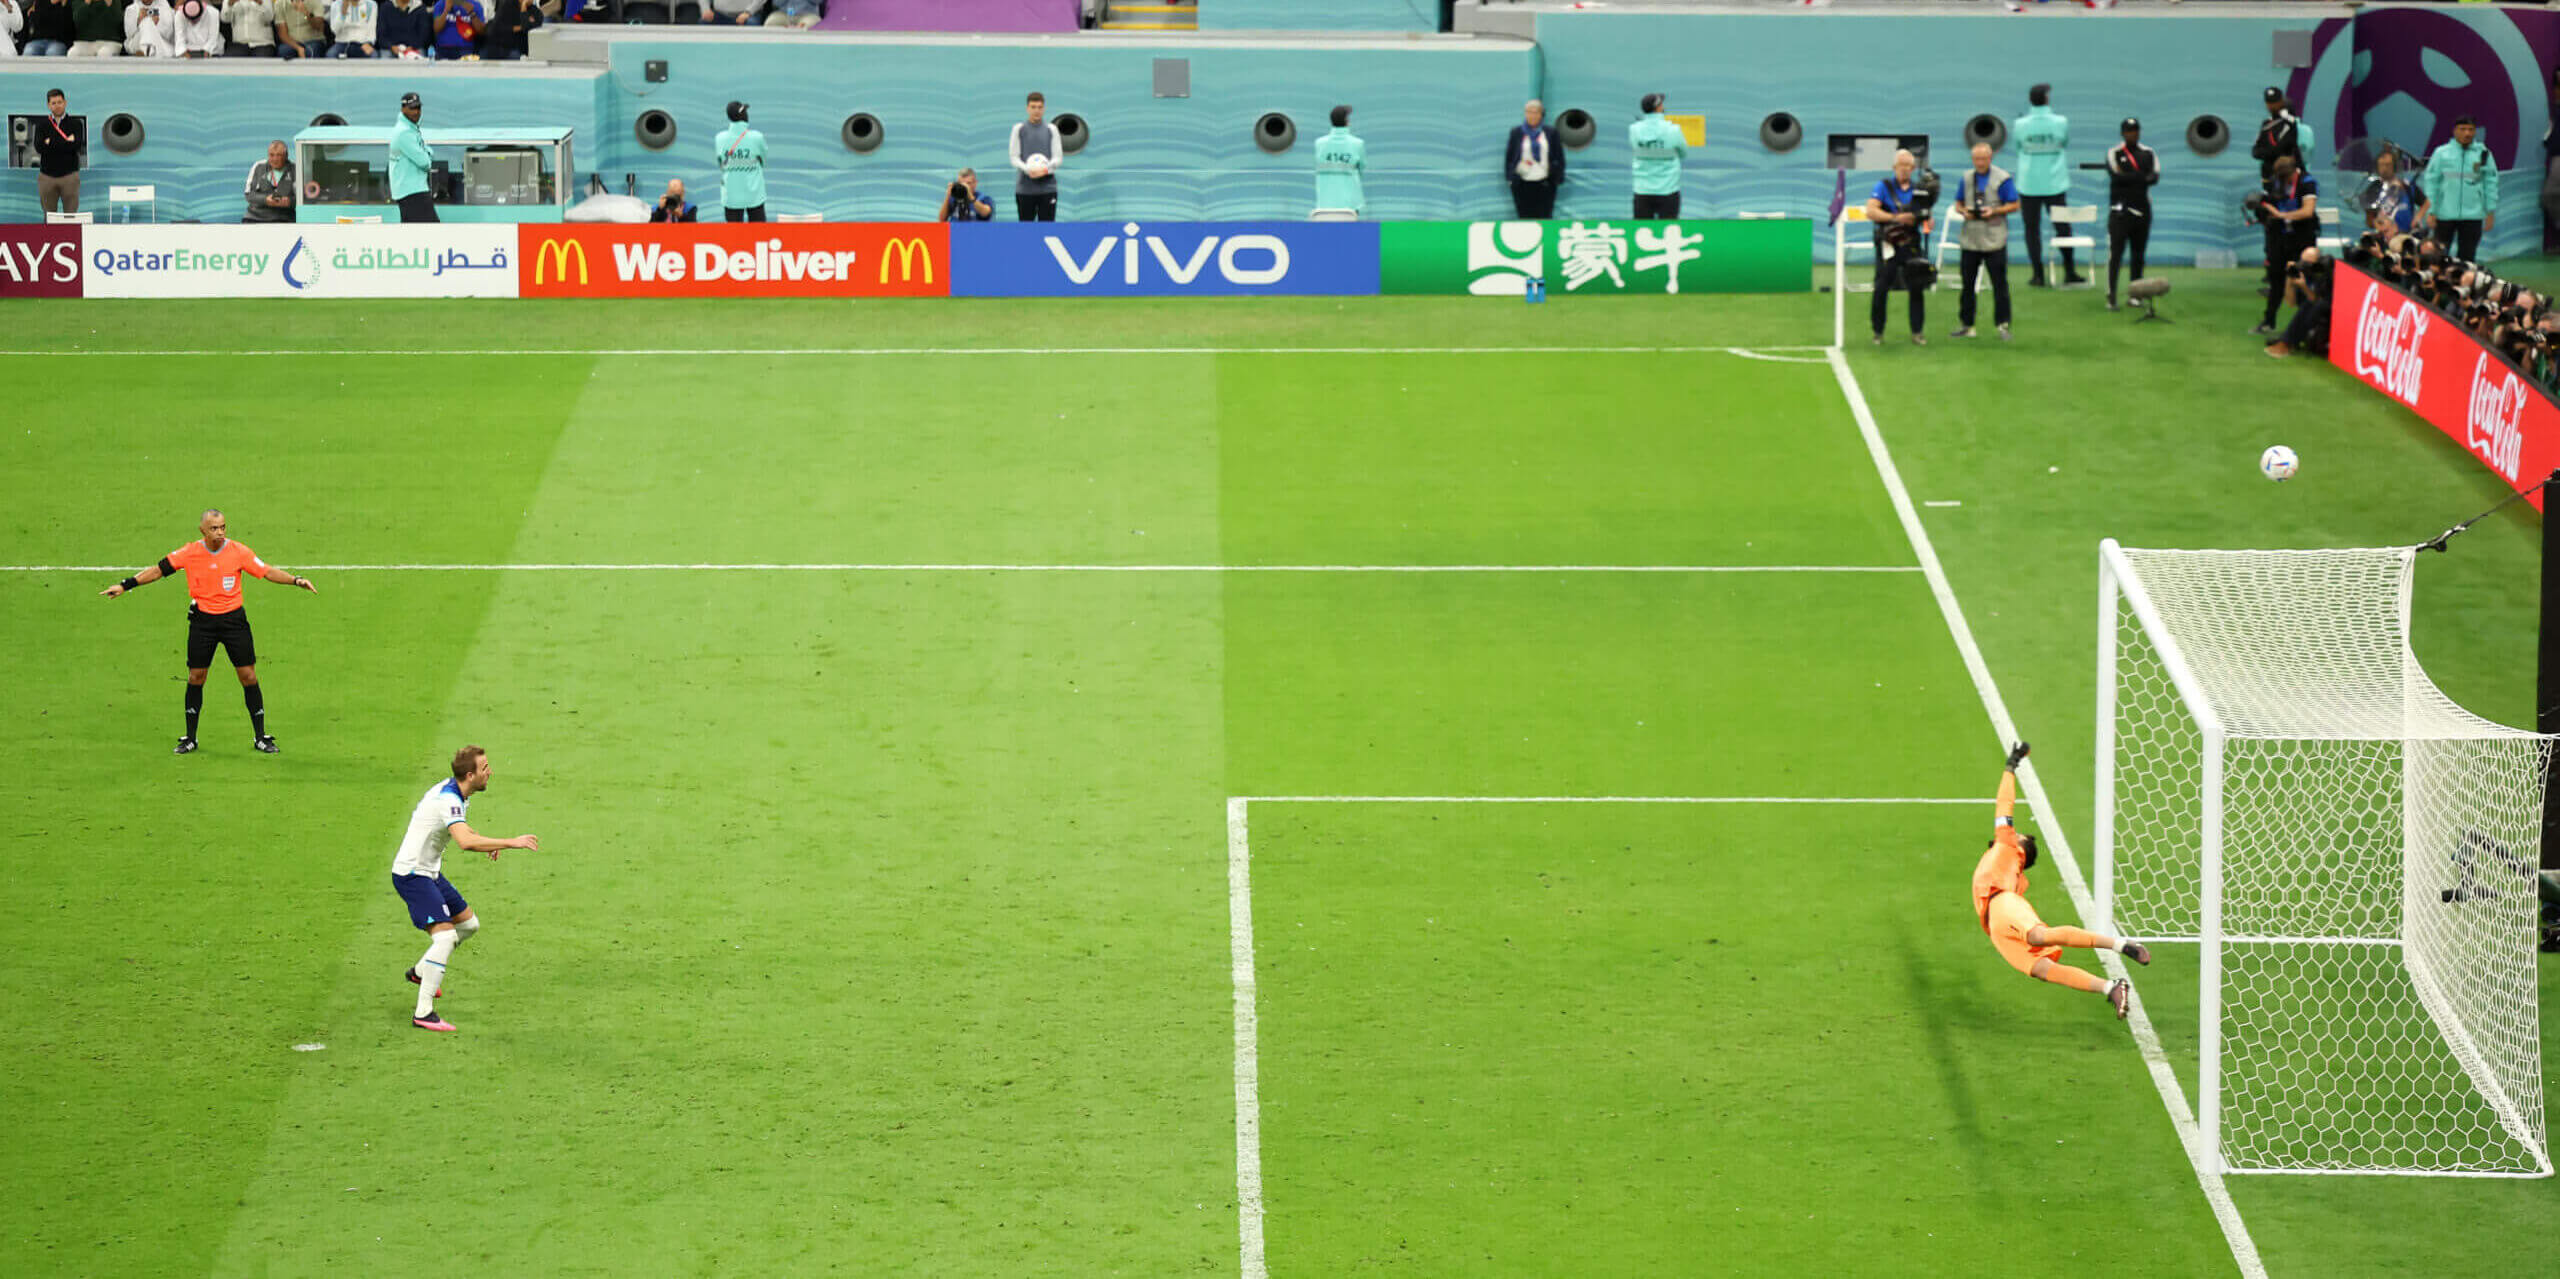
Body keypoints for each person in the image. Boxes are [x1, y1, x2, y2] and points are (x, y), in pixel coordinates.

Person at [98, 508, 316, 755]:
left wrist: (295, 580)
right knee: (196, 677)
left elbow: (266, 571)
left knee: (248, 676)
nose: (220, 532)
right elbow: (158, 570)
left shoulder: (238, 551)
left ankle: (260, 737)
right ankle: (190, 738)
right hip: (203, 623)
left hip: (234, 622)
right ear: (202, 530)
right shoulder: (189, 552)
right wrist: (125, 585)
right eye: (214, 528)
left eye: (223, 527)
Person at [1973, 742, 2150, 1020]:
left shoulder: (2008, 845)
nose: (2015, 832)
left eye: (2019, 835)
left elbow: (2004, 803)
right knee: (2042, 970)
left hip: (2001, 905)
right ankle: (2111, 987)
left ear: (2021, 847)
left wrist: (2011, 766)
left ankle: (2121, 945)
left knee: (2038, 936)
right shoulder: (2011, 865)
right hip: (1995, 926)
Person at [391, 745, 539, 1033]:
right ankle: (424, 1013)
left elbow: (461, 828)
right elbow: (465, 842)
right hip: (412, 875)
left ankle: (421, 972)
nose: (490, 772)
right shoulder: (449, 799)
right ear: (470, 775)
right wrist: (510, 842)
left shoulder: (457, 793)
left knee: (469, 925)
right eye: (485, 769)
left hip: (430, 872)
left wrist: (488, 841)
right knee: (445, 938)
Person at [2013, 83, 2081, 287]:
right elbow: (2064, 142)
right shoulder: (2061, 122)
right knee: (2063, 227)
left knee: (2031, 230)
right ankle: (2069, 272)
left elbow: (2018, 146)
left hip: (2028, 184)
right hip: (2055, 183)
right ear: (2047, 99)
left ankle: (2038, 275)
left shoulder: (2020, 124)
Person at [1948, 143, 2017, 341]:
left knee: (1999, 285)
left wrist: (1994, 211)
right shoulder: (1966, 178)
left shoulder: (2003, 178)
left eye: (1983, 159)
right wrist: (1963, 211)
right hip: (1970, 238)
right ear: (1972, 159)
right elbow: (1958, 202)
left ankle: (2003, 325)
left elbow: (2014, 204)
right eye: (1977, 159)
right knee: (1967, 285)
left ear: (1990, 158)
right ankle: (1967, 325)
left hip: (1995, 239)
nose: (1980, 163)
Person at [1865, 148, 1931, 346]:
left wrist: (1926, 220)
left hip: (1911, 244)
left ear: (1913, 168)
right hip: (1889, 243)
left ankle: (1917, 332)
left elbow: (1927, 216)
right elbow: (1871, 211)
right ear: (1894, 167)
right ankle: (1878, 331)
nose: (1904, 169)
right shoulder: (1883, 186)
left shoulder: (1919, 190)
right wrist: (1896, 217)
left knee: (1917, 287)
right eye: (1901, 165)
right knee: (1881, 287)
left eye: (1908, 166)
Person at [2252, 155, 2318, 335]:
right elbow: (2269, 204)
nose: (2284, 181)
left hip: (2302, 238)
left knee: (2303, 278)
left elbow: (2308, 211)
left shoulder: (2307, 182)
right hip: (2280, 238)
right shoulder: (2276, 182)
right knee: (2276, 279)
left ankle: (2307, 324)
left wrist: (2282, 215)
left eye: (2286, 177)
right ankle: (2268, 321)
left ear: (2293, 172)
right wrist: (2263, 209)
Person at [2423, 115, 2498, 262]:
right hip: (2444, 214)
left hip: (2473, 215)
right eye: (2462, 129)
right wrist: (2431, 211)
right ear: (2454, 131)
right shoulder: (2441, 153)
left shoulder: (2483, 154)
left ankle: (2464, 277)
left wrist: (2490, 210)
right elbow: (2432, 183)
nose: (2467, 133)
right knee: (2439, 256)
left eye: (2471, 129)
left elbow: (2491, 182)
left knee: (2468, 257)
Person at [2104, 116, 2158, 311]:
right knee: (2116, 255)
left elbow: (2154, 177)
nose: (2132, 134)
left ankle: (2136, 296)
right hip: (2120, 211)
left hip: (2143, 210)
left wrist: (2129, 176)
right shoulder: (2114, 153)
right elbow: (2116, 176)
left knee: (2138, 255)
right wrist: (2140, 176)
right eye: (2128, 131)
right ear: (2122, 133)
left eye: (2135, 131)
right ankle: (2111, 296)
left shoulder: (2148, 153)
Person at [2264, 245, 2333, 359]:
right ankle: (2286, 341)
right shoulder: (2303, 273)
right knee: (2307, 305)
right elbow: (2291, 303)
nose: (2305, 266)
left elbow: (2317, 301)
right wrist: (2289, 279)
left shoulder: (2324, 274)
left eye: (2308, 263)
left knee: (2309, 305)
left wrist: (2304, 286)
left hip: (2327, 309)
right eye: (2303, 262)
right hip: (2311, 311)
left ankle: (2286, 343)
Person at [1628, 92, 1685, 219]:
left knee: (1642, 229)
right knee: (1669, 229)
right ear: (1658, 108)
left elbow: (1636, 148)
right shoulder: (1674, 130)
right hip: (1669, 190)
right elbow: (1683, 152)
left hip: (1642, 190)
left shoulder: (1634, 129)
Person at [1504, 98, 1563, 220]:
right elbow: (1510, 157)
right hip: (1522, 183)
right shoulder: (1517, 132)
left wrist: (1557, 177)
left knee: (1545, 217)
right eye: (1529, 112)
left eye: (1536, 112)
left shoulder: (1550, 132)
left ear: (1541, 114)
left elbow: (1558, 155)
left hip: (1545, 182)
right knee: (1525, 217)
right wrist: (1510, 178)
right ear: (1525, 114)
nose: (1532, 116)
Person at [1008, 90, 1059, 222]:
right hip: (1025, 189)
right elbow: (1014, 157)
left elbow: (1057, 158)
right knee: (1026, 229)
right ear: (1027, 108)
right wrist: (1028, 170)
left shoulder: (1052, 129)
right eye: (1033, 107)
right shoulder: (1018, 129)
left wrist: (1045, 170)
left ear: (1044, 109)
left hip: (1048, 189)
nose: (1037, 110)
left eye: (1040, 107)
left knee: (1047, 228)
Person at [31, 88, 82, 214]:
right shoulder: (42, 125)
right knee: (49, 216)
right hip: (47, 177)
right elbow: (39, 147)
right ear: (48, 105)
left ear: (65, 103)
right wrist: (66, 141)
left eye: (59, 102)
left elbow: (77, 146)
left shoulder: (76, 124)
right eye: (53, 103)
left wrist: (50, 142)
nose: (57, 105)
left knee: (71, 216)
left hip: (70, 176)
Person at [715, 100, 767, 222]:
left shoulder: (720, 138)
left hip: (731, 195)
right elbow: (763, 160)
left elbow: (720, 163)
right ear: (743, 115)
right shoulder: (757, 137)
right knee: (759, 232)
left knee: (734, 234)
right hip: (754, 194)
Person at [2359, 147, 2424, 238]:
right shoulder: (2373, 188)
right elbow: (2370, 220)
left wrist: (2418, 217)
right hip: (2386, 237)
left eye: (2388, 164)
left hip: (2409, 236)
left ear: (2394, 166)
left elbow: (2426, 202)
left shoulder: (2407, 186)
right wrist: (2379, 226)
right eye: (2381, 165)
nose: (2384, 168)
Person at [391, 90, 436, 221]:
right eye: (412, 108)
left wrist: (425, 152)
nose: (416, 112)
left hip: (410, 191)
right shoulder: (404, 133)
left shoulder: (410, 129)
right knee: (433, 230)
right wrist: (428, 153)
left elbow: (424, 152)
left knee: (412, 231)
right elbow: (425, 162)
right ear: (403, 109)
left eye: (418, 108)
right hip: (413, 192)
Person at [1313, 104, 1365, 217]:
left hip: (1324, 205)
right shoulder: (1358, 144)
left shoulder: (1319, 144)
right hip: (1351, 206)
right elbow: (1362, 169)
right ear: (1347, 121)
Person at [2252, 87, 2312, 182]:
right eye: (2269, 102)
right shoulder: (2266, 125)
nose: (2271, 106)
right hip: (2268, 177)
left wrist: (2264, 152)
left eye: (2274, 102)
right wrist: (2265, 152)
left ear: (2281, 102)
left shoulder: (2289, 123)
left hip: (2286, 176)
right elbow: (2255, 151)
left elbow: (2280, 148)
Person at [242, 138, 294, 221]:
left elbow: (305, 198)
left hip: (283, 218)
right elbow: (248, 194)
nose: (275, 159)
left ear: (286, 156)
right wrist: (265, 199)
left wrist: (290, 201)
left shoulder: (295, 169)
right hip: (255, 217)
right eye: (271, 155)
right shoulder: (259, 166)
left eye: (279, 155)